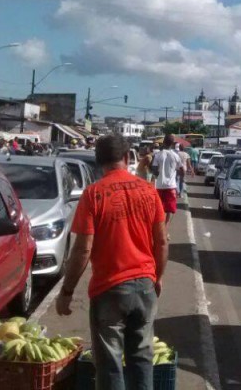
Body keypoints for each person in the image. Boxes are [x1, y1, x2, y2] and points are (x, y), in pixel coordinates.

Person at [56, 134, 168, 390]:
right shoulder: (149, 192)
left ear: (98, 162)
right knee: (142, 358)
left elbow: (83, 249)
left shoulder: (93, 195)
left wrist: (67, 291)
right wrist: (157, 277)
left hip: (109, 290)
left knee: (110, 364)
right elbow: (162, 242)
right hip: (144, 285)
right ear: (128, 158)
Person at [151, 134, 183, 226]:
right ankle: (165, 228)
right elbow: (182, 169)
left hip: (159, 185)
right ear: (172, 144)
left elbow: (154, 170)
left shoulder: (157, 155)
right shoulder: (176, 156)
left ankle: (158, 226)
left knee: (159, 208)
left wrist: (157, 174)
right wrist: (181, 178)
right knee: (169, 210)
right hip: (171, 186)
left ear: (163, 142)